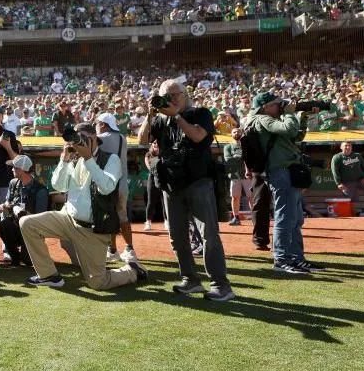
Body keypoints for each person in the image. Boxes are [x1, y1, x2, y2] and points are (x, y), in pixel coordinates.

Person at [20, 123, 149, 289]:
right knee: (27, 223)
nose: (77, 143)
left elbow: (106, 188)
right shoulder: (75, 159)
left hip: (92, 229)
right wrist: (65, 158)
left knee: (98, 282)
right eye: (76, 139)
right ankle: (49, 275)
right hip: (67, 219)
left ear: (94, 138)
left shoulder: (111, 159)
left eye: (81, 138)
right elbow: (58, 185)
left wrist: (88, 158)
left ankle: (132, 271)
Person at [138, 79, 234, 301]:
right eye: (165, 96)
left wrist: (176, 116)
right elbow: (143, 140)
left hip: (198, 181)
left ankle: (221, 284)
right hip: (171, 184)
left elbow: (198, 136)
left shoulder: (200, 113)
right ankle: (190, 279)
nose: (170, 100)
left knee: (208, 234)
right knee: (177, 236)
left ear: (185, 94)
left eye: (174, 95)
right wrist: (150, 114)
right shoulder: (160, 119)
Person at [246, 93, 326, 274]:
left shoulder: (273, 121)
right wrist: (289, 113)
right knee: (285, 217)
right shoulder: (261, 119)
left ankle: (296, 258)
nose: (280, 106)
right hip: (280, 172)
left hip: (288, 171)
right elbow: (288, 129)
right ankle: (281, 259)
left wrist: (303, 117)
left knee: (296, 218)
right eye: (276, 104)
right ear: (265, 106)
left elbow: (295, 137)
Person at [96, 113, 138, 263]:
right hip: (122, 184)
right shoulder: (122, 138)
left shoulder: (100, 138)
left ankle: (113, 250)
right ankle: (128, 249)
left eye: (98, 123)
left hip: (108, 186)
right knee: (122, 216)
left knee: (109, 217)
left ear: (103, 124)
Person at [0, 154, 49, 266]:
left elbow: (41, 218)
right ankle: (14, 257)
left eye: (14, 167)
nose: (12, 169)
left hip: (32, 229)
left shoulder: (40, 190)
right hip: (16, 226)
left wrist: (24, 214)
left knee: (28, 261)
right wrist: (6, 206)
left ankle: (28, 254)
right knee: (3, 224)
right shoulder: (13, 183)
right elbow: (7, 200)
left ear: (22, 170)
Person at [224, 128, 252, 226]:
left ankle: (255, 217)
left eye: (238, 131)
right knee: (235, 197)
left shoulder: (247, 145)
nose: (236, 133)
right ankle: (236, 217)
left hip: (247, 175)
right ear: (231, 134)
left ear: (242, 133)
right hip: (234, 175)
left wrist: (237, 157)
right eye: (234, 132)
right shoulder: (228, 147)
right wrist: (241, 157)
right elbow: (228, 159)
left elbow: (249, 157)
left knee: (251, 197)